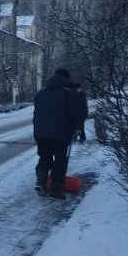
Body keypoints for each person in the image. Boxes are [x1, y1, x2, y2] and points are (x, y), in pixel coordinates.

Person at [32, 68, 82, 199]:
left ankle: (41, 181)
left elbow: (37, 113)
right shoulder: (68, 93)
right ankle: (56, 189)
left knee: (45, 157)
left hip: (42, 133)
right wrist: (77, 128)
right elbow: (74, 113)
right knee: (60, 159)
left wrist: (38, 132)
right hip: (60, 132)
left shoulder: (42, 92)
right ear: (67, 78)